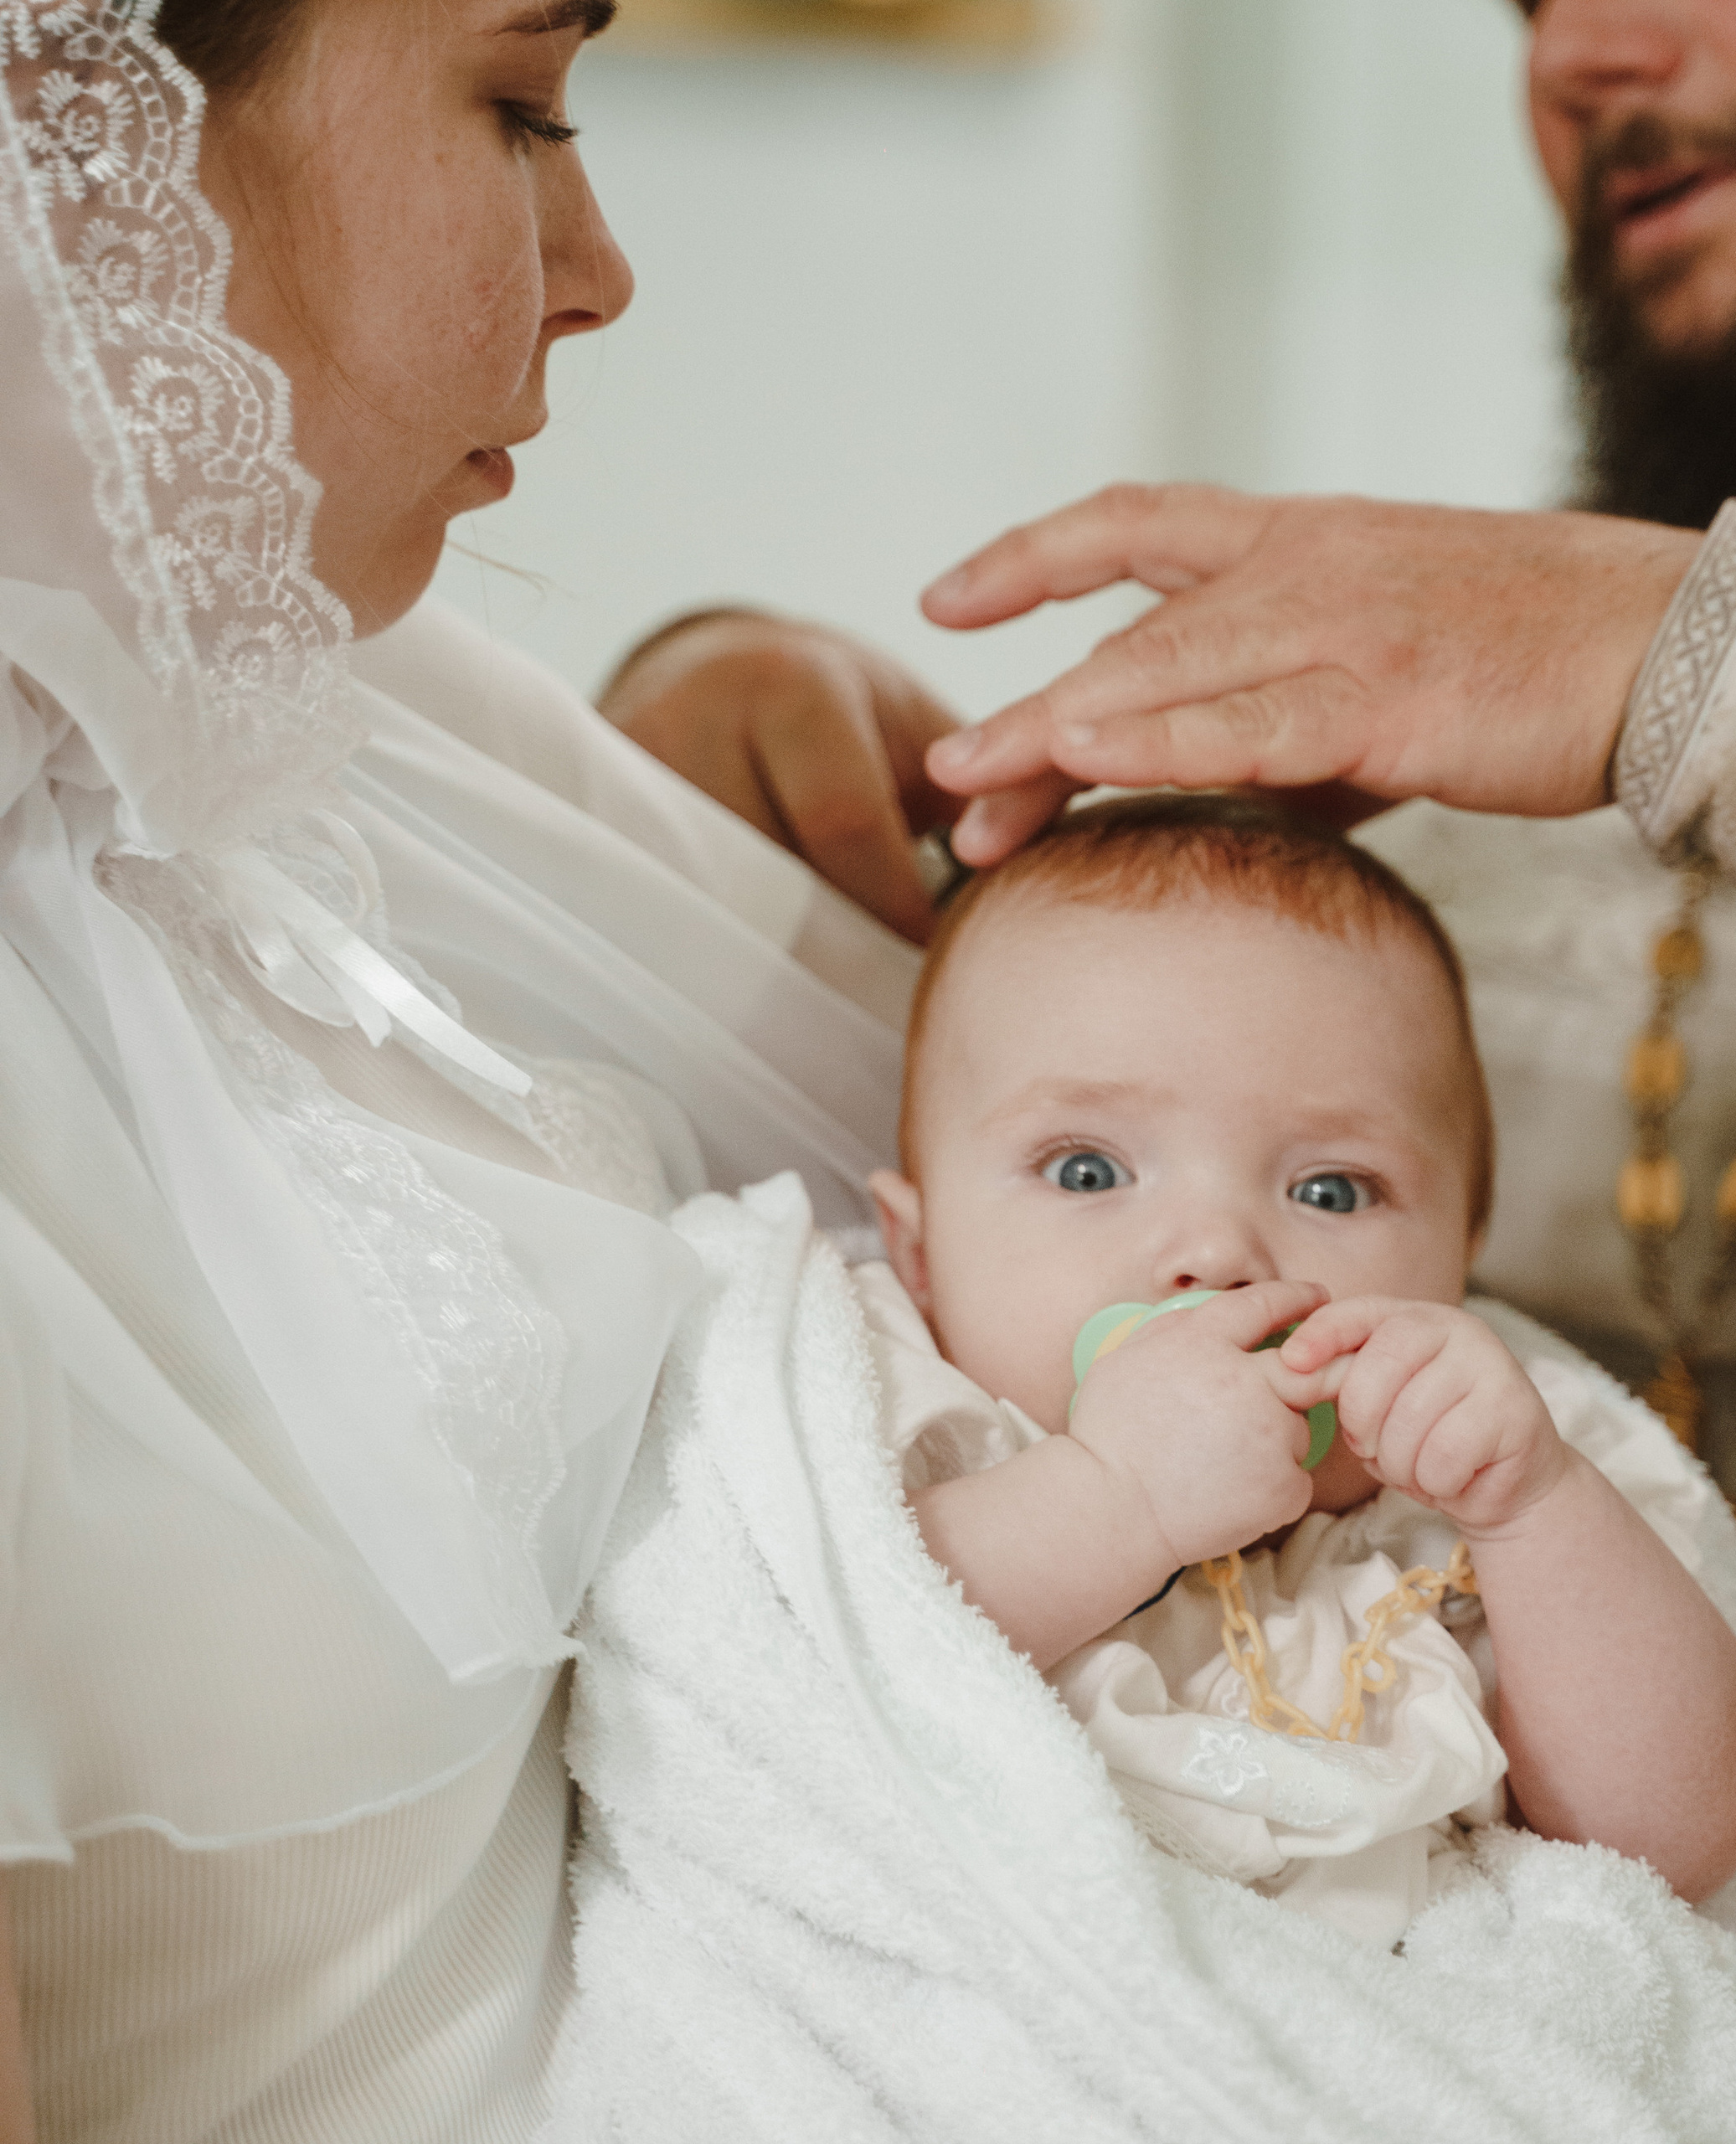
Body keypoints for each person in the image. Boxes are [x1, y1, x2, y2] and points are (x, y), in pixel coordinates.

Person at [599, 0, 1736, 2117]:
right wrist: (723, 744)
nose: (1581, 51)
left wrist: (1690, 658)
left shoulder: (1617, 645)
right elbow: (1046, 1103)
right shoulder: (1475, 733)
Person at [0, 1, 912, 2137]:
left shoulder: (290, 702)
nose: (596, 267)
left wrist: (711, 703)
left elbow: (1087, 1163)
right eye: (520, 104)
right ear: (73, 128)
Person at [858, 794, 1736, 1948]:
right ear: (919, 1255)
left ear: (1461, 1261)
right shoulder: (906, 1428)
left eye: (1330, 1191)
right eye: (1087, 1170)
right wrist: (1114, 1496)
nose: (1217, 1252)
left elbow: (1672, 1850)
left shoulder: (1470, 1497)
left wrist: (1535, 1509)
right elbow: (811, 1671)